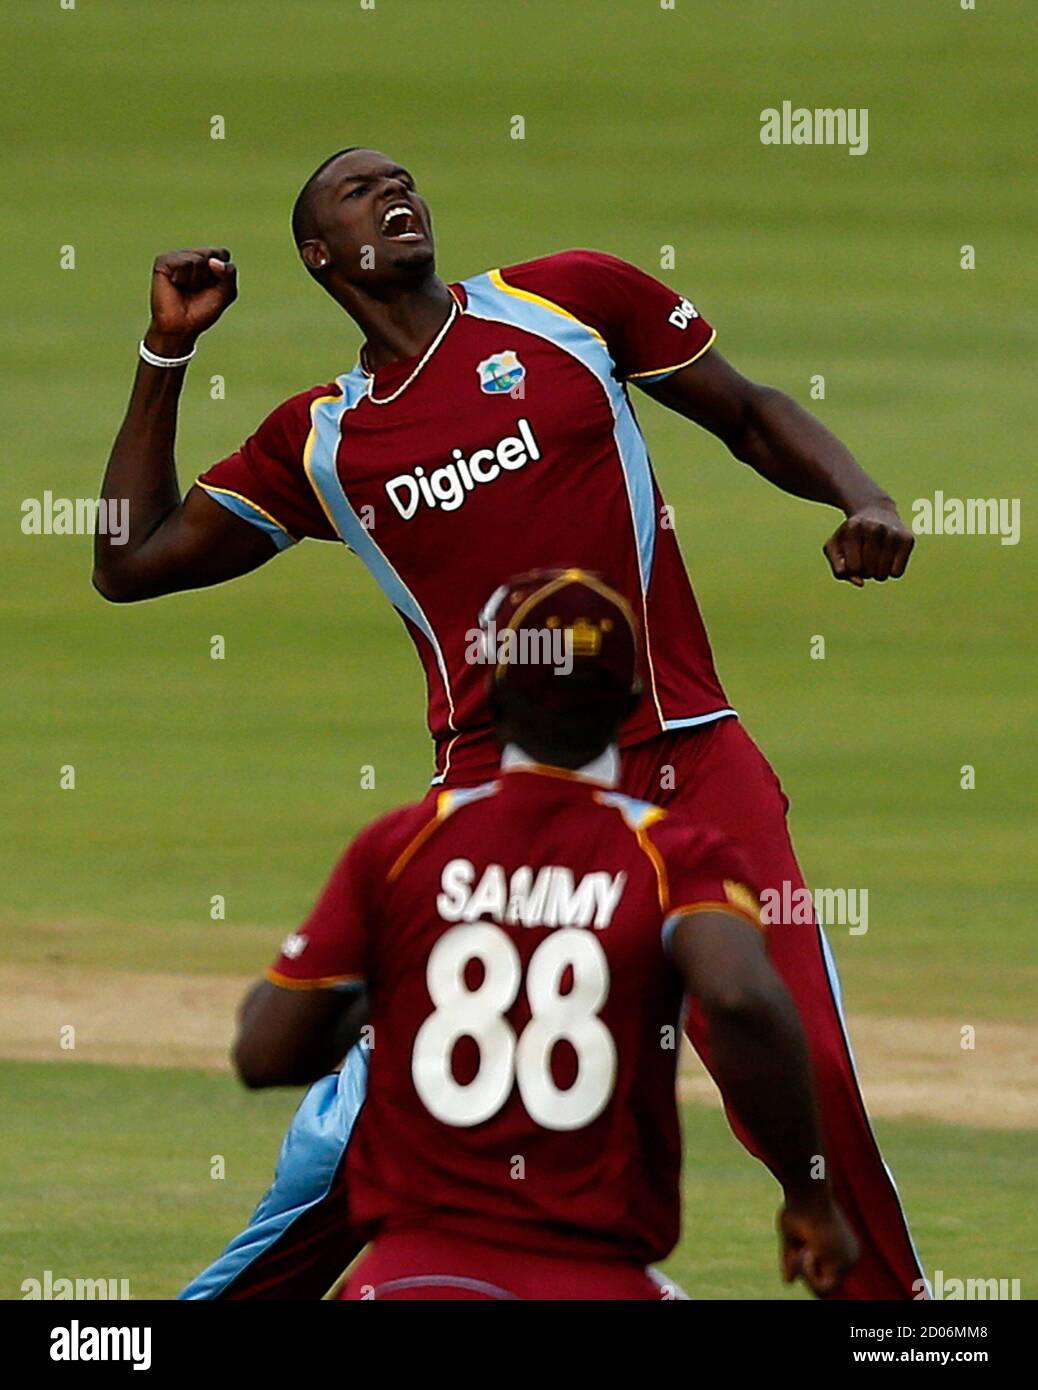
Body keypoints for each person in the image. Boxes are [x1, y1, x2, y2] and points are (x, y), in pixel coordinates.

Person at [98, 147, 921, 1298]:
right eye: (358, 191)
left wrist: (863, 495)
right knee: (381, 1123)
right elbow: (129, 559)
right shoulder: (323, 441)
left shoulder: (568, 302)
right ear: (321, 256)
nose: (394, 192)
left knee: (809, 1067)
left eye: (402, 178)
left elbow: (747, 412)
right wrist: (166, 351)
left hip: (690, 753)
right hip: (500, 800)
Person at [232, 569, 858, 1300]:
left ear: (492, 697)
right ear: (632, 700)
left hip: (410, 1276)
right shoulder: (675, 858)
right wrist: (809, 1193)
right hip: (591, 1277)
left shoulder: (401, 849)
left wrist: (393, 995)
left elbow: (265, 1052)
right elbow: (742, 999)